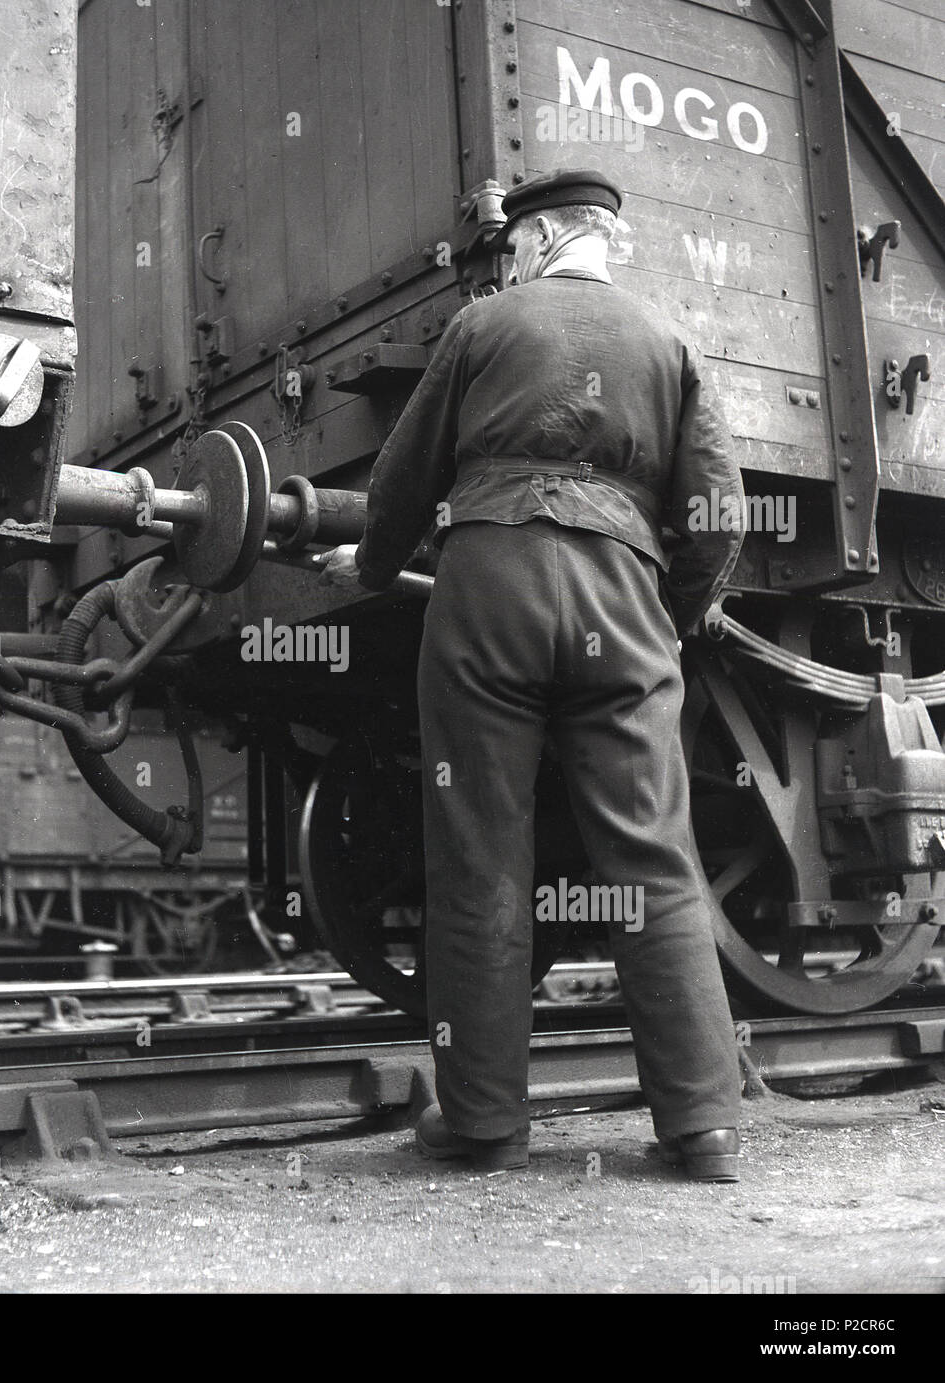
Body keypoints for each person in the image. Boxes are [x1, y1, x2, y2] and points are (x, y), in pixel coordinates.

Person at [321, 168, 745, 1182]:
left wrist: (370, 567)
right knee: (653, 858)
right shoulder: (666, 343)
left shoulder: (483, 326)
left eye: (515, 243)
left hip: (488, 594)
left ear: (547, 234)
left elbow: (405, 477)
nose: (507, 258)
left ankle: (482, 1124)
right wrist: (669, 615)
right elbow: (720, 514)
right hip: (623, 601)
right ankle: (701, 1127)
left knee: (477, 853)